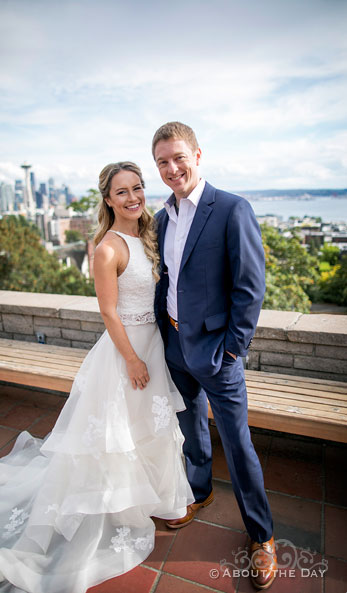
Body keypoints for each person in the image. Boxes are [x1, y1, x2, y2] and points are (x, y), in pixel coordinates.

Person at [0, 161, 193, 593]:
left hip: (156, 346)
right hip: (126, 352)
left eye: (137, 188)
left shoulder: (151, 234)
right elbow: (107, 312)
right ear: (107, 199)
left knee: (153, 426)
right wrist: (133, 360)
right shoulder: (107, 247)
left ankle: (161, 498)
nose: (133, 197)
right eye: (122, 192)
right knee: (118, 433)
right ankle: (119, 503)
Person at [152, 122, 277, 590]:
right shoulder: (161, 217)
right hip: (175, 346)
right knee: (190, 430)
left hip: (218, 354)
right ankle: (199, 492)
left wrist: (232, 349)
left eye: (178, 157)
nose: (171, 168)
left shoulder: (230, 209)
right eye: (162, 161)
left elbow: (250, 286)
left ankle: (261, 535)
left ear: (198, 156)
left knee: (238, 444)